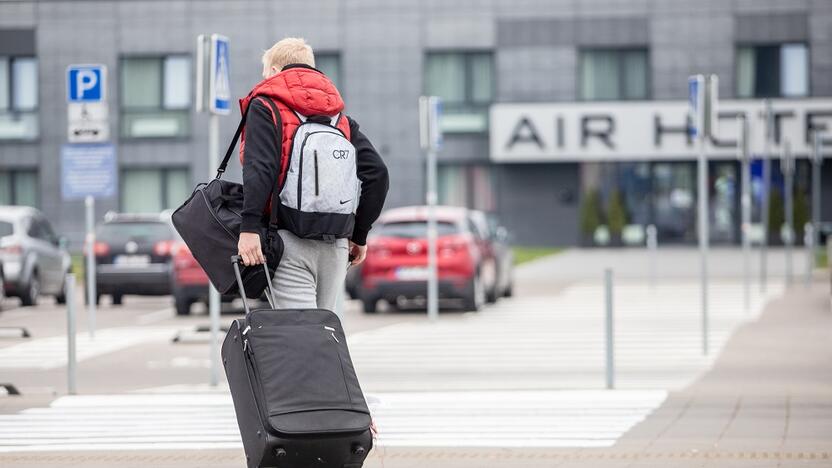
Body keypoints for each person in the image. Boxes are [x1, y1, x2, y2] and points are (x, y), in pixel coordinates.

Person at [236, 37, 388, 311]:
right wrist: (360, 234)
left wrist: (248, 228)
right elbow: (377, 175)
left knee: (300, 339)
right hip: (337, 247)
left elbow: (261, 169)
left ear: (273, 71)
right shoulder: (340, 120)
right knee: (323, 335)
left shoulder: (265, 107)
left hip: (288, 243)